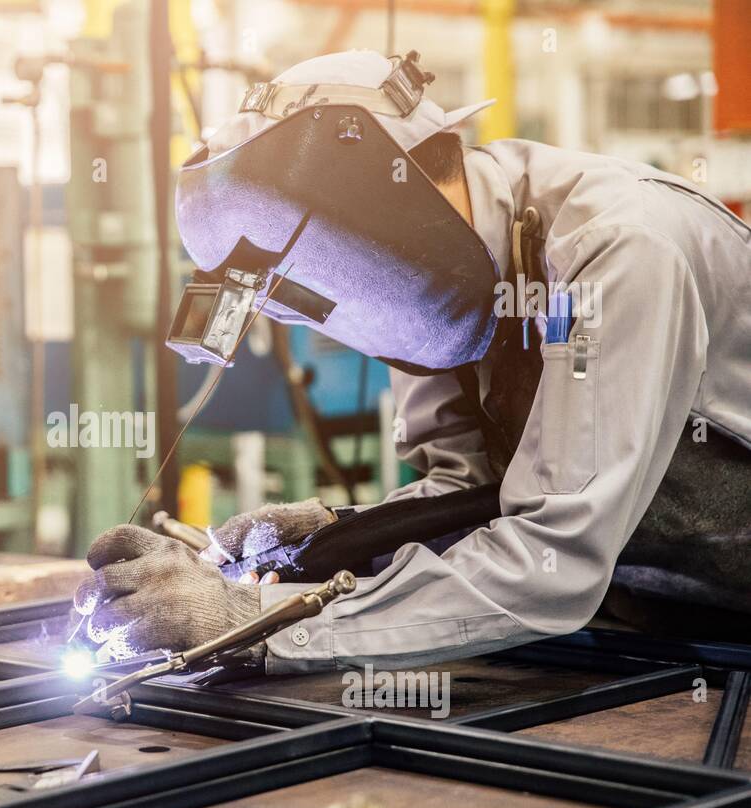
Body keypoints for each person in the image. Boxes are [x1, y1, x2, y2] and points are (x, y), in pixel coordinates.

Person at [74, 49, 751, 672]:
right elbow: (474, 491)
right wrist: (334, 536)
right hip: (655, 617)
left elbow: (554, 557)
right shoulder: (440, 278)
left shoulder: (616, 248)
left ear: (402, 194)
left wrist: (257, 621)